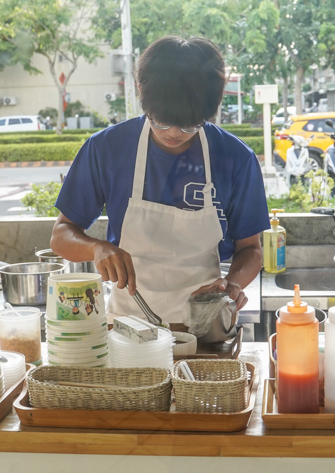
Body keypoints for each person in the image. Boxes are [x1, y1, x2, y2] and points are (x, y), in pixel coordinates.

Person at [49, 36, 270, 324]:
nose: (174, 133)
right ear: (141, 91)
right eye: (161, 120)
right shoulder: (107, 148)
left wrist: (234, 283)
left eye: (191, 123)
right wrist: (96, 248)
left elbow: (250, 249)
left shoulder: (236, 158)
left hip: (205, 325)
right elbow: (61, 235)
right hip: (129, 326)